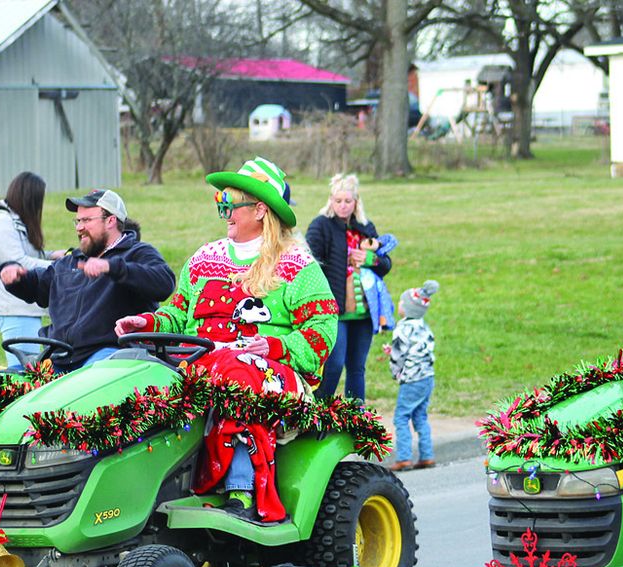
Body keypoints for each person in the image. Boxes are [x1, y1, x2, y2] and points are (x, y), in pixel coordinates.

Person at [114, 158, 337, 523]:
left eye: (229, 206)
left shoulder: (296, 264)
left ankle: (242, 488)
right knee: (131, 371)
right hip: (201, 362)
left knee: (235, 373)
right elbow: (178, 314)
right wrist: (147, 320)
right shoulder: (205, 259)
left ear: (261, 210)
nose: (224, 214)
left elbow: (323, 329)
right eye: (221, 205)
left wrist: (276, 347)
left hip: (272, 372)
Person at [0, 188, 175, 371]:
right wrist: (15, 276)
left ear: (111, 221)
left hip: (111, 355)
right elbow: (38, 286)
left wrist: (112, 267)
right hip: (59, 357)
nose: (79, 227)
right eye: (77, 221)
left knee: (81, 384)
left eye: (86, 220)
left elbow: (164, 283)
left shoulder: (137, 253)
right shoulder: (69, 263)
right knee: (3, 382)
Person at [306, 173, 393, 401]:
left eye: (348, 201)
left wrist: (369, 260)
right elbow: (309, 263)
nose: (343, 206)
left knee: (357, 368)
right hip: (335, 312)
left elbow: (385, 264)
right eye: (338, 201)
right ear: (331, 201)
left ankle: (357, 421)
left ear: (356, 202)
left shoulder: (365, 227)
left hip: (363, 313)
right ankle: (319, 413)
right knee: (333, 364)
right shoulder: (321, 226)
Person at [0, 171, 62, 369]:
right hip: (13, 308)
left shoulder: (12, 220)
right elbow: (17, 262)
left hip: (20, 308)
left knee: (27, 367)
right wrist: (64, 266)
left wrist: (52, 254)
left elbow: (23, 253)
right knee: (24, 370)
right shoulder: (0, 225)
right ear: (30, 199)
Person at [387, 280, 439, 472]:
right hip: (427, 377)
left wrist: (396, 374)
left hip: (412, 379)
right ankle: (427, 455)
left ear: (409, 307)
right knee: (420, 416)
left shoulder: (402, 328)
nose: (399, 304)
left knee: (401, 417)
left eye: (402, 302)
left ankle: (404, 458)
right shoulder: (423, 327)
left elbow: (398, 356)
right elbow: (417, 350)